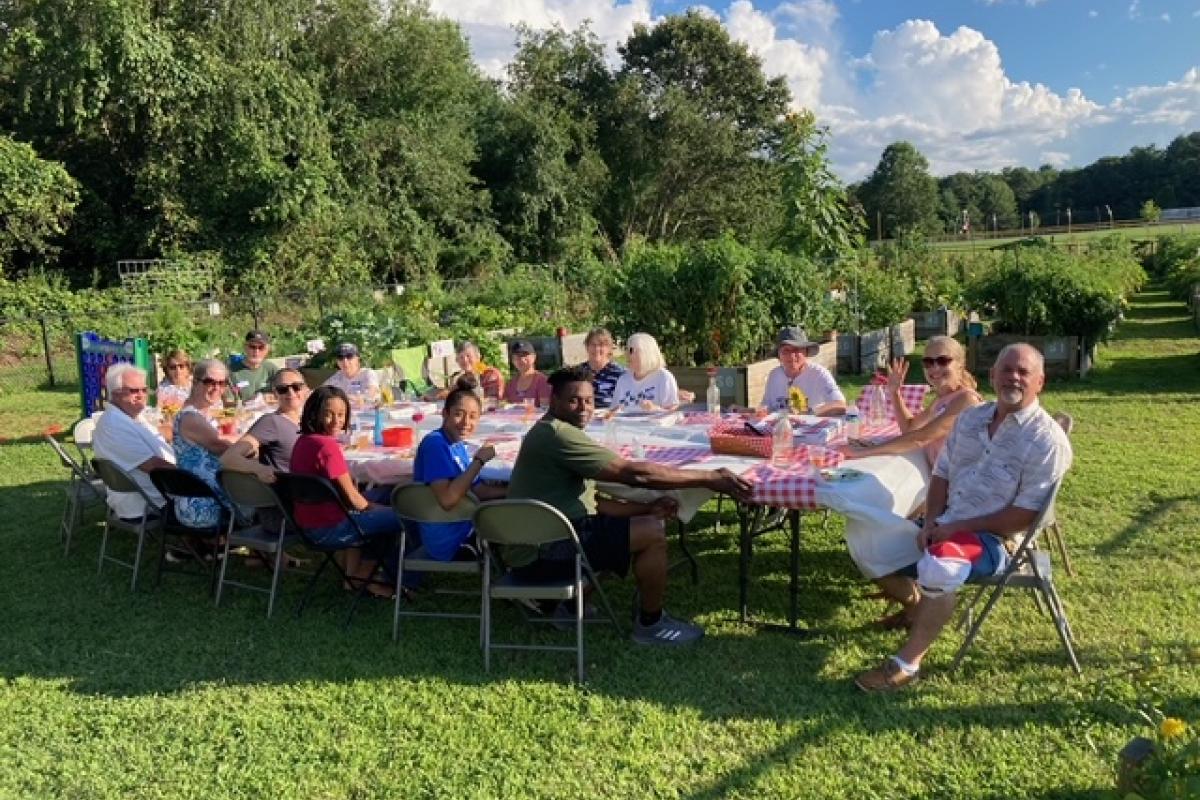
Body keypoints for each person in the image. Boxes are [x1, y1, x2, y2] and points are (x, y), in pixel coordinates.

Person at [854, 344, 1072, 692]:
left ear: (1040, 382)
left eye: (1023, 372)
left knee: (942, 565)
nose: (1013, 377)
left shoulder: (1046, 440)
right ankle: (917, 606)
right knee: (867, 541)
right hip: (946, 523)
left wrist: (955, 528)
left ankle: (906, 665)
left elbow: (1025, 515)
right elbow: (941, 475)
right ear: (992, 376)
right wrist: (931, 522)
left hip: (997, 540)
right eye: (1006, 370)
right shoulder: (972, 419)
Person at [506, 366, 753, 646]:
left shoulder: (553, 430)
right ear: (555, 401)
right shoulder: (557, 434)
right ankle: (651, 624)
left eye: (589, 400)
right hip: (542, 555)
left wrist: (647, 509)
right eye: (573, 400)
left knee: (637, 527)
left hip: (540, 545)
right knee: (652, 534)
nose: (583, 408)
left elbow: (594, 505)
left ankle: (569, 610)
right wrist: (709, 477)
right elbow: (636, 474)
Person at [290, 386, 400, 596]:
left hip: (308, 525)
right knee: (404, 516)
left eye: (341, 414)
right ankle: (377, 578)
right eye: (328, 414)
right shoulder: (327, 447)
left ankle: (353, 576)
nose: (336, 421)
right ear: (315, 414)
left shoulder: (303, 441)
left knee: (385, 491)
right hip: (331, 529)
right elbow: (356, 501)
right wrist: (381, 510)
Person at [839, 336, 981, 468]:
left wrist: (864, 451)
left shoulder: (966, 400)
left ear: (960, 365)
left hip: (965, 485)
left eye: (943, 361)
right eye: (928, 362)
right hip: (944, 479)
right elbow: (909, 428)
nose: (935, 367)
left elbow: (922, 437)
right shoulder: (942, 400)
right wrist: (895, 392)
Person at [412, 379, 508, 560]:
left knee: (519, 510)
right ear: (445, 414)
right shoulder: (436, 444)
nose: (466, 422)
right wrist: (479, 461)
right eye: (459, 414)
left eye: (473, 416)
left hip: (463, 526)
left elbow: (477, 489)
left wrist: (513, 491)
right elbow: (447, 499)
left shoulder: (457, 445)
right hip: (452, 540)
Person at [93, 363, 176, 519]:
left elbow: (159, 434)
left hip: (155, 493)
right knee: (216, 493)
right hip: (148, 502)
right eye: (133, 391)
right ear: (115, 393)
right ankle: (212, 539)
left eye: (144, 390)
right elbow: (154, 467)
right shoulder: (114, 425)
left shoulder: (131, 416)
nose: (141, 395)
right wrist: (193, 476)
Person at [172, 359, 237, 528]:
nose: (217, 388)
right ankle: (269, 552)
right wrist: (251, 439)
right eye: (210, 382)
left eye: (222, 383)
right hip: (200, 506)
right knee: (264, 497)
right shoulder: (191, 418)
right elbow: (222, 447)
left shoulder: (199, 414)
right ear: (195, 382)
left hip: (199, 497)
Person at [220, 368, 310, 479]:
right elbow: (228, 458)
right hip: (296, 489)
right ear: (275, 394)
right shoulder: (272, 422)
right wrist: (259, 468)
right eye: (282, 389)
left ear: (306, 389)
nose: (291, 392)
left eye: (297, 387)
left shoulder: (311, 420)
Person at [760, 326, 845, 416]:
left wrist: (810, 413)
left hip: (812, 427)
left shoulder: (819, 374)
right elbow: (765, 408)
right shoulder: (774, 375)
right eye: (786, 350)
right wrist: (752, 412)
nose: (792, 356)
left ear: (806, 352)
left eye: (796, 350)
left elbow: (840, 404)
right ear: (779, 355)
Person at [609, 332, 693, 411]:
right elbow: (613, 410)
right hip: (624, 426)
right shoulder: (623, 380)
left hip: (655, 426)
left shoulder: (664, 378)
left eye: (631, 351)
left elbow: (673, 413)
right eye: (627, 350)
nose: (626, 355)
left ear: (646, 353)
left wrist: (655, 409)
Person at [427, 341, 504, 401]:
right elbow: (450, 392)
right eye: (461, 357)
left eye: (468, 356)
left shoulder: (491, 374)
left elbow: (493, 400)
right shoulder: (465, 377)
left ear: (478, 357)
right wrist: (434, 398)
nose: (465, 360)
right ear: (457, 361)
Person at [577, 327, 626, 410]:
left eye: (601, 345)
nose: (596, 349)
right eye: (593, 344)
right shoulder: (577, 372)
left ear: (609, 348)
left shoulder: (620, 373)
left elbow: (625, 403)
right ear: (587, 347)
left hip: (611, 419)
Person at [231, 330, 278, 402]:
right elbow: (227, 402)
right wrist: (251, 402)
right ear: (245, 347)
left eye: (261, 347)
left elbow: (285, 392)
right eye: (252, 347)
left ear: (267, 350)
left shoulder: (271, 369)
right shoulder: (232, 371)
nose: (256, 351)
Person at [501, 339, 551, 406]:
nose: (521, 359)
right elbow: (503, 406)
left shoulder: (543, 381)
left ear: (534, 357)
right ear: (512, 360)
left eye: (525, 355)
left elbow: (545, 409)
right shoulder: (511, 383)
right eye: (517, 356)